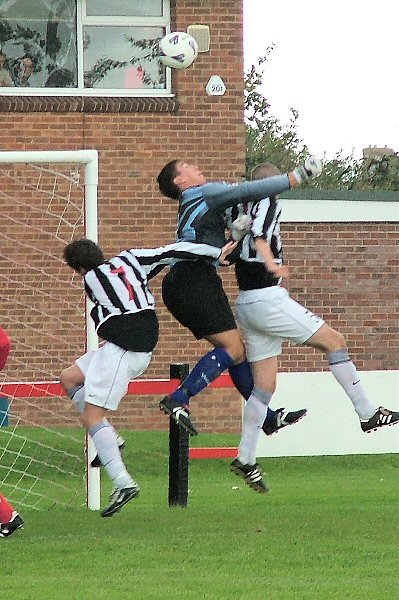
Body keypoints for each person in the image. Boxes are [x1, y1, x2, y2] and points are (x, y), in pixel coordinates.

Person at [228, 161, 399, 492]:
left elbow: (229, 251)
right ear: (272, 185)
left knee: (264, 385)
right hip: (266, 298)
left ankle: (246, 457)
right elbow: (262, 236)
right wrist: (273, 265)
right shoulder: (268, 202)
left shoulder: (239, 205)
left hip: (245, 303)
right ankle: (367, 412)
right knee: (335, 341)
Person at [61, 237, 235, 517]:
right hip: (134, 346)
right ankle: (112, 439)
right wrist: (215, 251)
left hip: (123, 350)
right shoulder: (129, 260)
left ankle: (123, 482)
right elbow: (173, 250)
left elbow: (104, 306)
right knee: (69, 378)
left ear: (79, 268)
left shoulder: (91, 278)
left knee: (92, 418)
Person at [156, 157, 322, 435]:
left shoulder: (195, 205)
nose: (197, 166)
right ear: (180, 181)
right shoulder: (204, 193)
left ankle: (267, 419)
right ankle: (179, 398)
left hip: (184, 283)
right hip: (195, 281)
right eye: (188, 166)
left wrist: (235, 233)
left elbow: (224, 257)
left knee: (237, 353)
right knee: (233, 350)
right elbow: (249, 190)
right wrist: (297, 176)